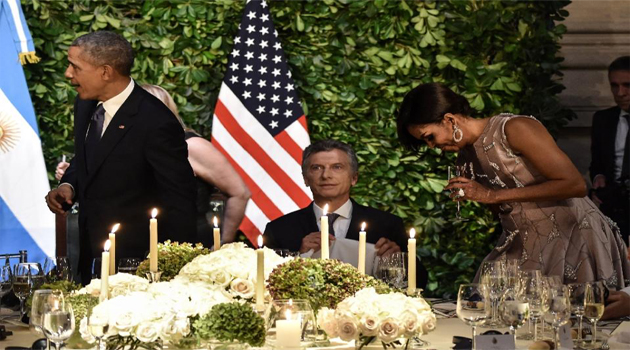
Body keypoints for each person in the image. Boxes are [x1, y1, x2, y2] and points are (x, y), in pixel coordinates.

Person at [397, 83, 630, 288]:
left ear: (449, 120)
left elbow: (575, 185)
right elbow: (504, 210)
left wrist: (492, 194)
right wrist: (476, 197)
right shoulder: (464, 158)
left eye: (429, 137)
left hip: (572, 234)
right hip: (524, 240)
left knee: (576, 323)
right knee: (497, 310)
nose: (431, 146)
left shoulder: (512, 128)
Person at [44, 31, 197, 284]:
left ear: (105, 72)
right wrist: (68, 185)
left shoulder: (155, 120)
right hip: (90, 258)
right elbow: (88, 155)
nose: (68, 74)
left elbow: (180, 199)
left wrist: (176, 273)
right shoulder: (85, 103)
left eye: (75, 67)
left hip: (136, 268)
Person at [264, 140, 428, 287]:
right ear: (306, 178)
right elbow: (264, 283)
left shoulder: (387, 224)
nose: (326, 175)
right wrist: (298, 258)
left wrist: (397, 261)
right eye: (316, 168)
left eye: (337, 167)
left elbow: (420, 281)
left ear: (354, 178)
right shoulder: (279, 229)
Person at [140, 84, 251, 245]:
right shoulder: (136, 146)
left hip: (192, 241)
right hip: (146, 240)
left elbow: (240, 193)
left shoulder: (192, 146)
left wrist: (224, 241)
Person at [590, 56, 630, 243]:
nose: (620, 93)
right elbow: (597, 163)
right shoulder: (603, 119)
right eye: (614, 86)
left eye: (627, 85)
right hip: (612, 209)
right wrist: (598, 176)